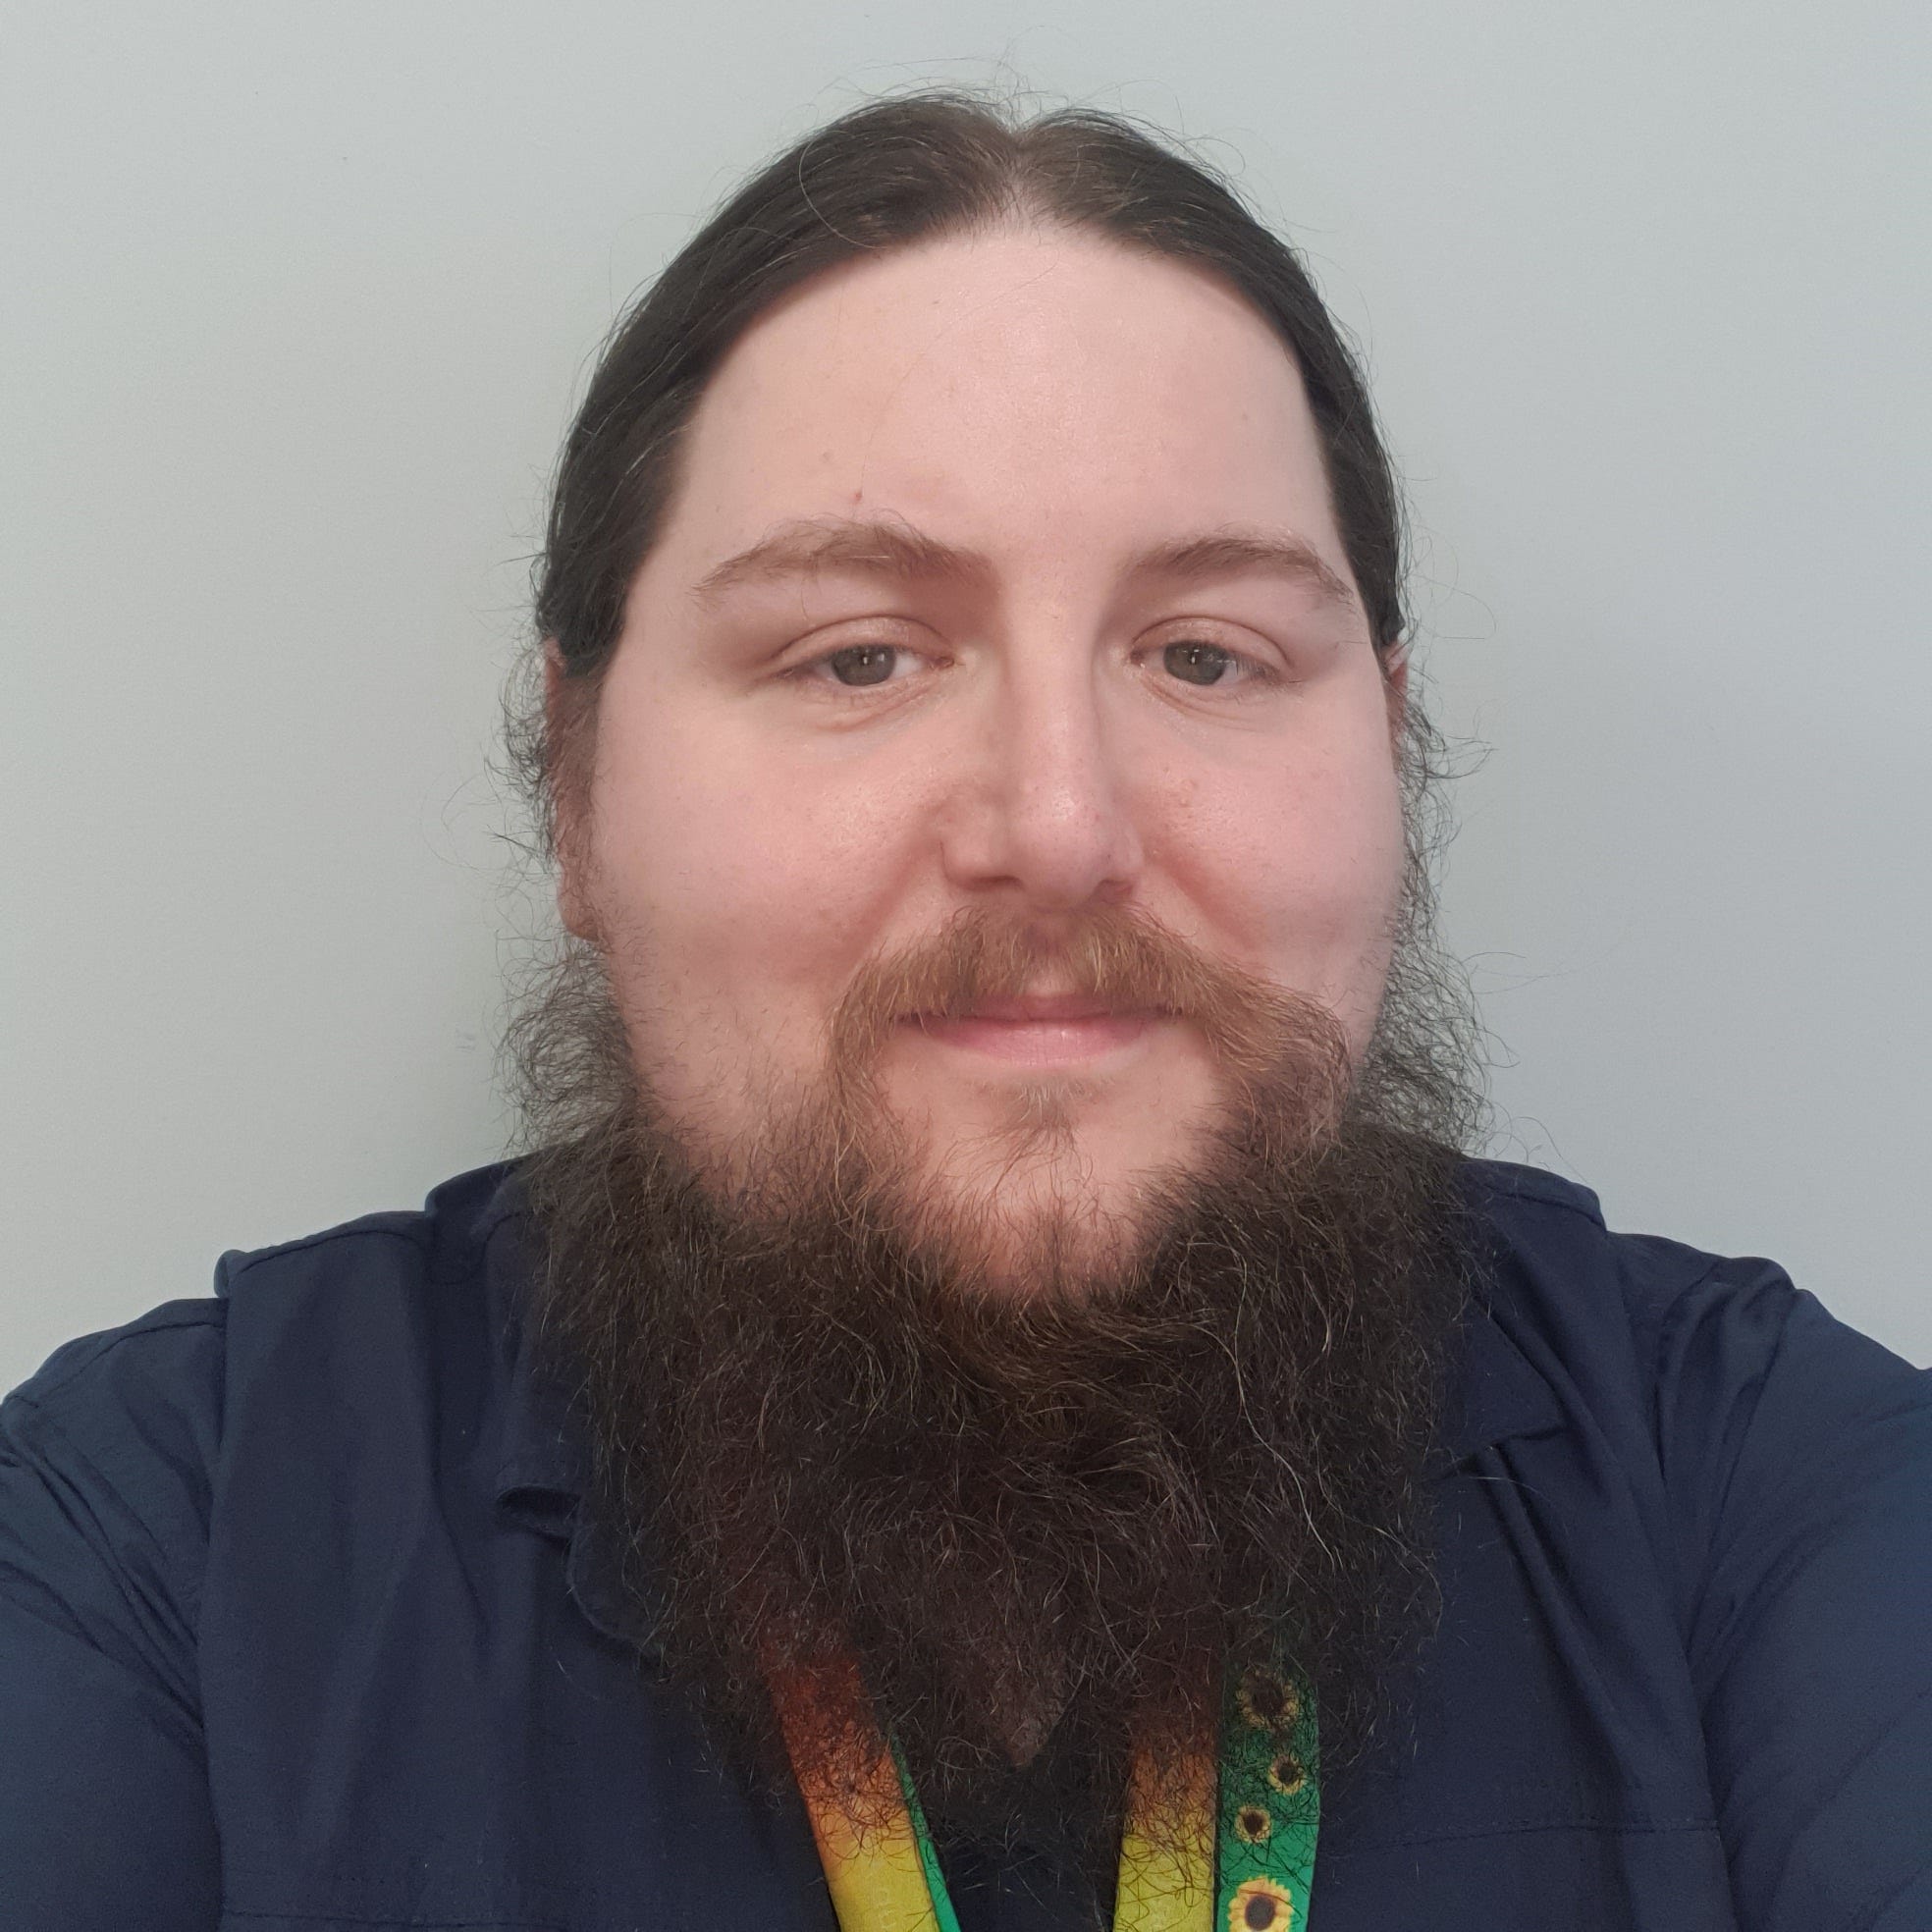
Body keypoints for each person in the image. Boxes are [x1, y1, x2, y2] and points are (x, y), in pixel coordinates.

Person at [2, 88, 1926, 1932]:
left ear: (1389, 763)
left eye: (1205, 653)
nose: (1064, 831)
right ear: (580, 795)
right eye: (858, 656)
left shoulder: (1755, 1499)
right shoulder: (159, 1547)